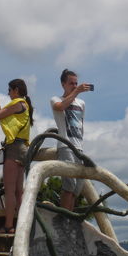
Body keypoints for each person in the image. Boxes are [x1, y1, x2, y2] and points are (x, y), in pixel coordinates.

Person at [0, 78, 34, 233]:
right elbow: (3, 116)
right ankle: (21, 225)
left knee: (9, 191)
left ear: (16, 90)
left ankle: (9, 226)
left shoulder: (16, 104)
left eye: (9, 90)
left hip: (13, 149)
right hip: (23, 149)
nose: (8, 93)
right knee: (19, 191)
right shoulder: (24, 105)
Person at [50, 69, 92, 210]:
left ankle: (70, 219)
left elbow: (81, 124)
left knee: (77, 188)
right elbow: (60, 107)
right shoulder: (56, 99)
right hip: (65, 146)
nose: (74, 86)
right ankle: (64, 219)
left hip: (79, 147)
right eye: (71, 83)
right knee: (69, 185)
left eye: (76, 83)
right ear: (63, 84)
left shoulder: (81, 103)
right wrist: (76, 92)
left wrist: (76, 93)